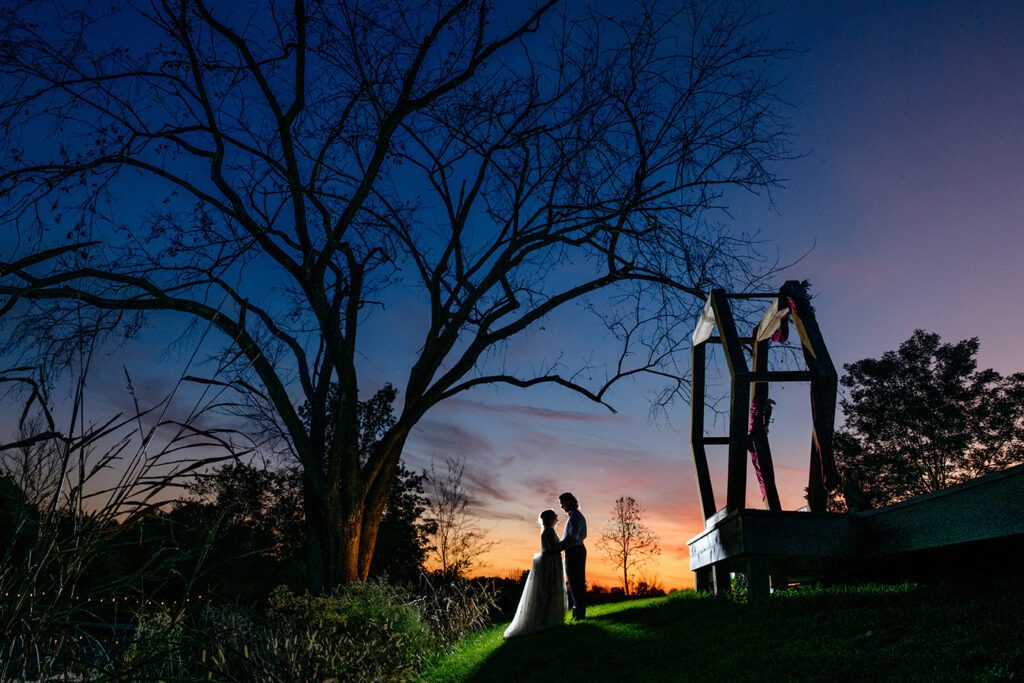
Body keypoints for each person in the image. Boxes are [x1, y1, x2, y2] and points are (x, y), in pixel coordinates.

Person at [503, 509, 568, 639]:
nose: (557, 519)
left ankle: (547, 618)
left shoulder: (548, 531)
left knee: (546, 590)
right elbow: (551, 549)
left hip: (550, 562)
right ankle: (547, 619)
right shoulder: (548, 531)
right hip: (549, 564)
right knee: (548, 589)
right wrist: (566, 544)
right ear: (550, 519)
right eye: (555, 517)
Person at [557, 492, 587, 621]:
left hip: (575, 551)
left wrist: (556, 548)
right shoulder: (573, 516)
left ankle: (579, 613)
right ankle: (578, 612)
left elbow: (572, 539)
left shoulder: (575, 517)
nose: (561, 506)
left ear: (568, 502)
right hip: (574, 551)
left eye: (562, 503)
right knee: (575, 582)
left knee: (576, 582)